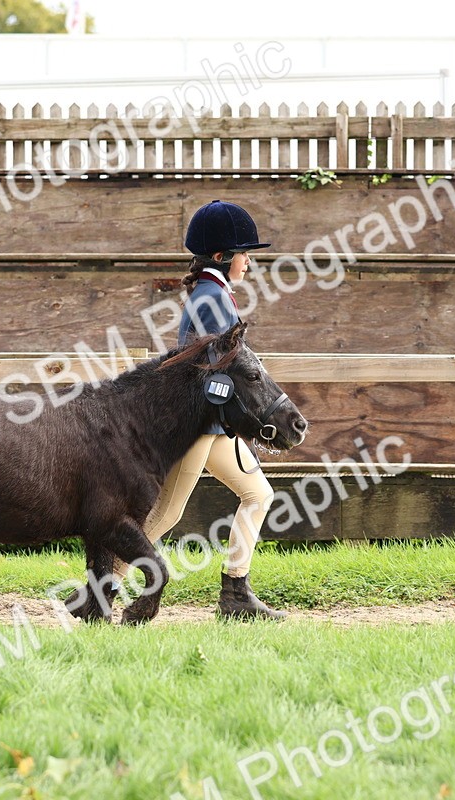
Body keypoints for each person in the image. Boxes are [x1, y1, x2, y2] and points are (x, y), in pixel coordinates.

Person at [92, 200, 287, 621]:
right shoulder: (211, 297)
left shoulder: (213, 293)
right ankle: (101, 592)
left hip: (216, 425)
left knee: (258, 494)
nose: (249, 262)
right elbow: (217, 368)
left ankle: (236, 593)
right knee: (165, 514)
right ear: (221, 257)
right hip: (200, 424)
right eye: (244, 253)